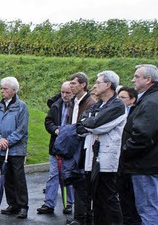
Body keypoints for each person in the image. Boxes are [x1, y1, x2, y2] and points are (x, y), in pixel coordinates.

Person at [120, 64, 158, 225]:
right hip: (144, 162)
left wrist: (125, 150)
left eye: (137, 76)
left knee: (147, 208)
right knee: (146, 207)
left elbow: (143, 135)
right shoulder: (151, 99)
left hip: (143, 164)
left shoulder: (151, 102)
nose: (133, 79)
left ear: (148, 80)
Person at [79, 71, 125, 225]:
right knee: (95, 197)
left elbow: (97, 125)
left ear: (108, 85)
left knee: (108, 197)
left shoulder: (117, 105)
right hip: (92, 156)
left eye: (98, 82)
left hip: (106, 159)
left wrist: (89, 122)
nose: (95, 86)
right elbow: (81, 125)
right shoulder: (98, 104)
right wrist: (89, 122)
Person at [0, 77, 29, 219]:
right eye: (1, 88)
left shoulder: (21, 106)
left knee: (19, 178)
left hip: (16, 150)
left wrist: (8, 141)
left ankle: (23, 206)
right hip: (1, 147)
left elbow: (22, 129)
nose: (2, 91)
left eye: (5, 89)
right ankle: (13, 204)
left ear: (14, 90)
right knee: (6, 177)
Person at [37, 81, 74, 215]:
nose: (64, 95)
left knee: (68, 175)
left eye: (67, 92)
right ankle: (49, 204)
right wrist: (55, 130)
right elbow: (48, 121)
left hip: (70, 147)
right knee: (53, 175)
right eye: (62, 92)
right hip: (56, 146)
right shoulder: (56, 105)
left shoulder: (77, 106)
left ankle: (69, 204)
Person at [66, 72, 97, 225]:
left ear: (83, 84)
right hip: (74, 146)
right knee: (77, 181)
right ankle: (79, 216)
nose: (71, 86)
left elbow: (85, 126)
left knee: (83, 182)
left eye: (73, 83)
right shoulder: (73, 102)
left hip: (84, 146)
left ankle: (84, 217)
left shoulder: (90, 103)